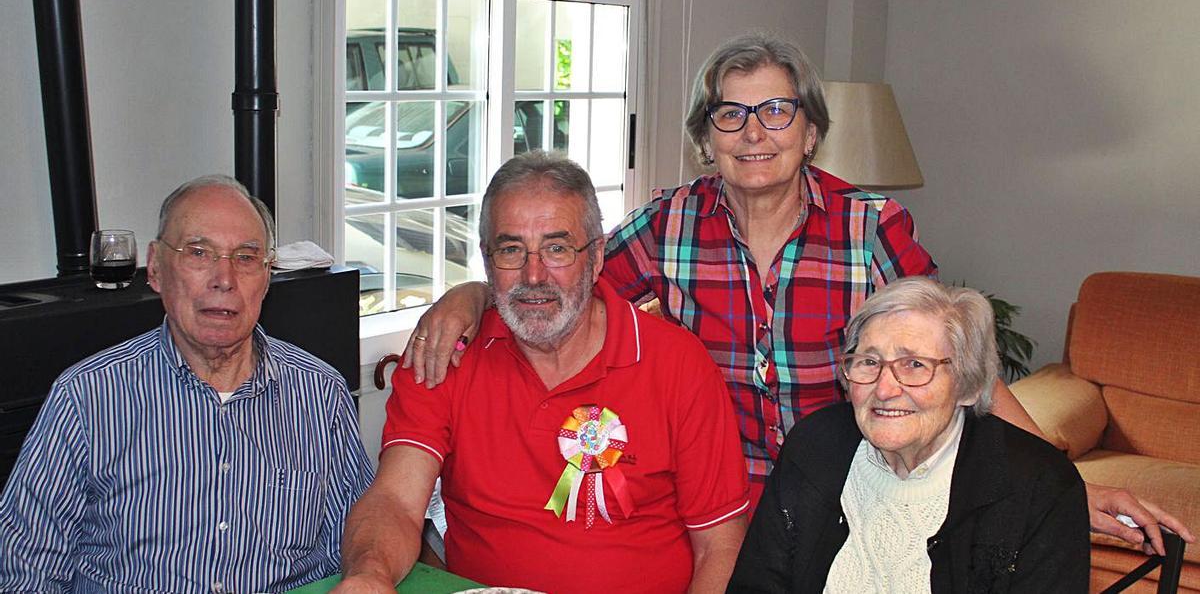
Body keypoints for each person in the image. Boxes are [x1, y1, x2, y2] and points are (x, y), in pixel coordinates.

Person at [399, 32, 1192, 552]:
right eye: (731, 114)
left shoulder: (869, 227)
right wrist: (470, 293)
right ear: (705, 138)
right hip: (723, 510)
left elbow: (963, 363)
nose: (755, 131)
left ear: (810, 130)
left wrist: (1062, 482)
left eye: (776, 110)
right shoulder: (669, 224)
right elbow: (554, 286)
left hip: (855, 493)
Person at [335, 152, 749, 593]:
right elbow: (395, 501)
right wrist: (370, 575)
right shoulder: (444, 356)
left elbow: (719, 545)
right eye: (511, 249)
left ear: (596, 257)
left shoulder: (677, 364)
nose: (534, 275)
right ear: (487, 260)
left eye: (557, 248)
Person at [0, 175, 374, 593]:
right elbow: (25, 571)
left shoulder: (319, 393)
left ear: (266, 277)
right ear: (156, 268)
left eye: (246, 258)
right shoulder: (88, 398)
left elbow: (361, 538)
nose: (225, 279)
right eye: (199, 253)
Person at [728, 277, 1090, 592]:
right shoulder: (814, 447)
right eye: (869, 362)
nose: (884, 389)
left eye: (915, 365)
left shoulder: (1038, 486)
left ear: (968, 386)